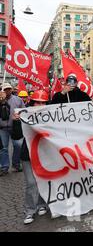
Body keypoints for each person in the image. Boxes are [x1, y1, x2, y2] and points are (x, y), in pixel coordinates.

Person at [12, 90, 50, 224]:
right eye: (37, 102)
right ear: (32, 102)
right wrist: (16, 121)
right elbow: (16, 135)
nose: (39, 105)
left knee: (43, 180)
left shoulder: (50, 115)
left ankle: (42, 205)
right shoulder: (23, 114)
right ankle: (29, 211)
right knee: (31, 183)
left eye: (42, 102)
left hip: (44, 154)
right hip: (27, 155)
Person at [0, 83, 26, 176]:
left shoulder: (18, 100)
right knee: (3, 148)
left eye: (9, 89)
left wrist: (19, 117)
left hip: (15, 127)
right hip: (2, 128)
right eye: (5, 89)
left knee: (18, 145)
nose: (7, 91)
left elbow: (24, 111)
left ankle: (16, 164)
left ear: (11, 90)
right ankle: (4, 167)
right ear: (2, 90)